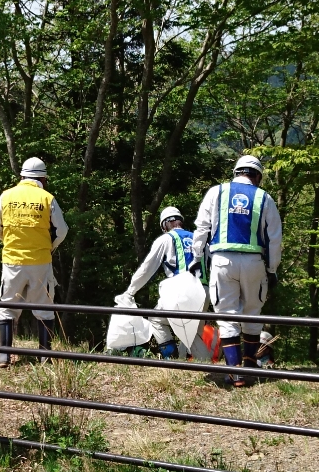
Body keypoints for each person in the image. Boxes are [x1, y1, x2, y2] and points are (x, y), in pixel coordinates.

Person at [192, 155, 282, 386]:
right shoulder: (265, 198)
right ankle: (251, 367)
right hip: (255, 263)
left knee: (227, 315)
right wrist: (272, 270)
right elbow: (274, 239)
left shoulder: (216, 192)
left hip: (222, 260)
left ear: (236, 172)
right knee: (252, 314)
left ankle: (235, 372)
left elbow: (202, 227)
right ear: (257, 176)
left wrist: (196, 257)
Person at [0, 157, 69, 367]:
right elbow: (62, 230)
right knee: (44, 308)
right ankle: (44, 357)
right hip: (40, 261)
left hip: (12, 261)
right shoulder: (47, 197)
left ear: (22, 176)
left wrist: (7, 240)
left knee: (7, 307)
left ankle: (4, 356)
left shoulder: (6, 196)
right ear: (42, 178)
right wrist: (50, 246)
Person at [121, 206, 198, 359]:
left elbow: (146, 269)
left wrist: (130, 291)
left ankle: (171, 358)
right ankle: (191, 361)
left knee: (156, 319)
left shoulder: (166, 239)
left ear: (165, 224)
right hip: (203, 291)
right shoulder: (198, 238)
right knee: (193, 330)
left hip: (181, 290)